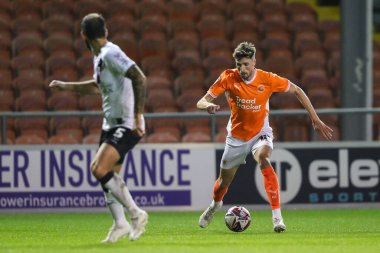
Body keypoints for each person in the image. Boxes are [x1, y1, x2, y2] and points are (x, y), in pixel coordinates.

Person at [196, 42, 333, 233]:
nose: (242, 69)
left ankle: (277, 218)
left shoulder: (267, 79)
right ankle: (215, 205)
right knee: (222, 183)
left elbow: (297, 90)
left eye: (245, 64)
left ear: (254, 61)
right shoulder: (228, 77)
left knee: (264, 158)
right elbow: (201, 100)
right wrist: (207, 106)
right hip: (235, 138)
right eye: (239, 65)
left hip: (261, 133)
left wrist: (316, 119)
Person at [49, 13, 148, 242]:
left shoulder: (111, 53)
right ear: (106, 31)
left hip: (125, 123)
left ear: (83, 35)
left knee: (98, 169)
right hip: (110, 123)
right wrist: (66, 87)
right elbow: (98, 86)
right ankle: (120, 223)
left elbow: (139, 78)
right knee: (110, 177)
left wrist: (136, 116)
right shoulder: (100, 56)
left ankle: (136, 214)